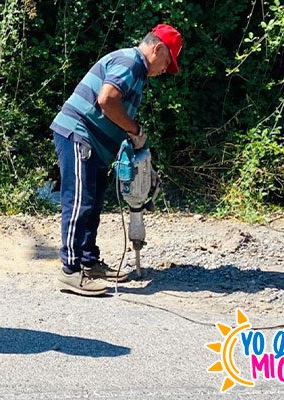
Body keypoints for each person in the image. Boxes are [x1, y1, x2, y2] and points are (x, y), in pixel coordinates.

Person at [50, 24, 182, 296]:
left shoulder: (136, 70)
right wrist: (135, 130)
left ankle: (89, 262)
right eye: (166, 63)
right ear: (157, 49)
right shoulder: (130, 62)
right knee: (79, 202)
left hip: (95, 144)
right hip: (78, 134)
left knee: (93, 203)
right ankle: (71, 271)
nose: (163, 71)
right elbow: (107, 99)